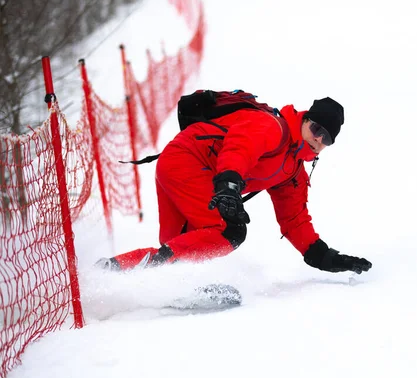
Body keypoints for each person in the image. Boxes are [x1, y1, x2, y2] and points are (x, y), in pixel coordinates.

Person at [95, 95, 372, 275]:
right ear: (305, 120)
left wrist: (324, 256)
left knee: (181, 246)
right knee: (229, 230)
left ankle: (117, 273)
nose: (319, 140)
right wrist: (228, 184)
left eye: (328, 139)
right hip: (187, 160)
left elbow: (294, 219)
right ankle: (136, 272)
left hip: (184, 167)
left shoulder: (293, 171)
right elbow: (241, 146)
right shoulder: (274, 127)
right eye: (317, 130)